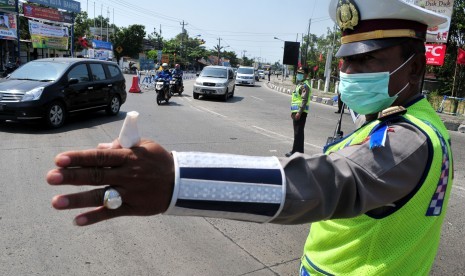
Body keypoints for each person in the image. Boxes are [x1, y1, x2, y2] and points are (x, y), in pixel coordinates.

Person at [45, 0, 454, 275]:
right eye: (346, 62)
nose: (349, 74)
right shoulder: (397, 119)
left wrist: (177, 180)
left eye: (368, 60)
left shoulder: (409, 139)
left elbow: (323, 184)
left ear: (415, 67)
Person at [285, 66, 311, 157]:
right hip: (296, 112)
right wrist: (293, 112)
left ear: (306, 75)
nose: (299, 75)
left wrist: (299, 112)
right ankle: (297, 152)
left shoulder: (304, 85)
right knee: (298, 132)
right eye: (298, 73)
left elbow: (304, 100)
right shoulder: (300, 84)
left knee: (298, 133)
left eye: (301, 73)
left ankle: (296, 152)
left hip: (301, 113)